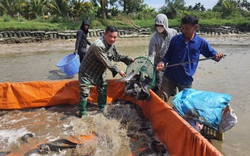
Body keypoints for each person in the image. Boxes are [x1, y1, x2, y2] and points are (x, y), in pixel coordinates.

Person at [157, 15, 225, 102]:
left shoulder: (200, 43)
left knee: (186, 104)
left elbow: (213, 55)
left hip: (186, 79)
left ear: (195, 27)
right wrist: (162, 62)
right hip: (169, 77)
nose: (184, 31)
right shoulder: (175, 39)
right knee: (161, 100)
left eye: (187, 28)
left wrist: (218, 56)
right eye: (183, 28)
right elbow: (167, 55)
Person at [76, 26, 134, 118]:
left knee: (103, 89)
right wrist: (119, 71)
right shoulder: (98, 46)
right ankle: (81, 114)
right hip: (87, 72)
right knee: (84, 93)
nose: (112, 39)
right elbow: (107, 62)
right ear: (104, 34)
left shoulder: (111, 45)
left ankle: (101, 109)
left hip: (99, 72)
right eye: (110, 36)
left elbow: (116, 56)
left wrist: (126, 59)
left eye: (115, 37)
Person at [148, 13, 177, 95]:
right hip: (159, 64)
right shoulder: (154, 38)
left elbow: (178, 45)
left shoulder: (173, 32)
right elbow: (151, 55)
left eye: (161, 25)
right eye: (157, 25)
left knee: (172, 86)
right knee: (159, 85)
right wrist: (151, 67)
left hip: (171, 63)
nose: (159, 27)